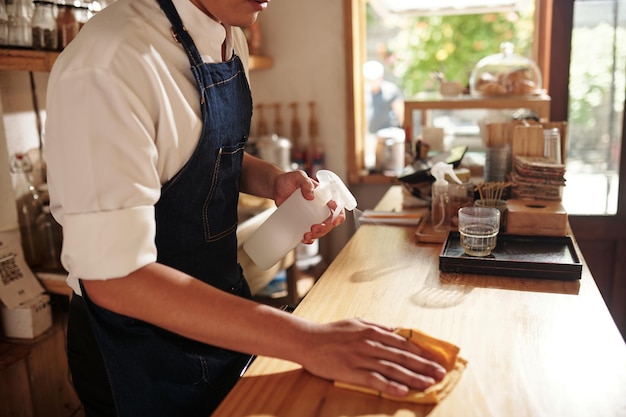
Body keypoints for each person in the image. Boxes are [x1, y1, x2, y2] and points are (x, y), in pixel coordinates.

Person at [44, 1, 447, 416]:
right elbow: (115, 279)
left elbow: (197, 154)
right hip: (136, 350)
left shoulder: (228, 31)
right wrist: (308, 339)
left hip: (223, 314)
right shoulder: (108, 66)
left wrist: (271, 179)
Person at [363, 60, 405, 134]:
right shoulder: (362, 92)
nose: (373, 81)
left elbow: (400, 112)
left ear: (381, 77)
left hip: (387, 135)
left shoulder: (390, 90)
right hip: (368, 135)